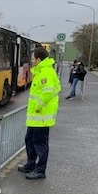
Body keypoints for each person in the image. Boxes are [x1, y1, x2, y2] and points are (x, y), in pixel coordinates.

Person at [17, 47, 61, 179]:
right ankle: (31, 164)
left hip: (41, 116)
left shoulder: (46, 72)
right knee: (29, 140)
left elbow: (48, 92)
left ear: (38, 59)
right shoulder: (42, 71)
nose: (31, 60)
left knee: (40, 144)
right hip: (36, 117)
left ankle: (40, 170)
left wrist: (37, 106)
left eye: (32, 58)